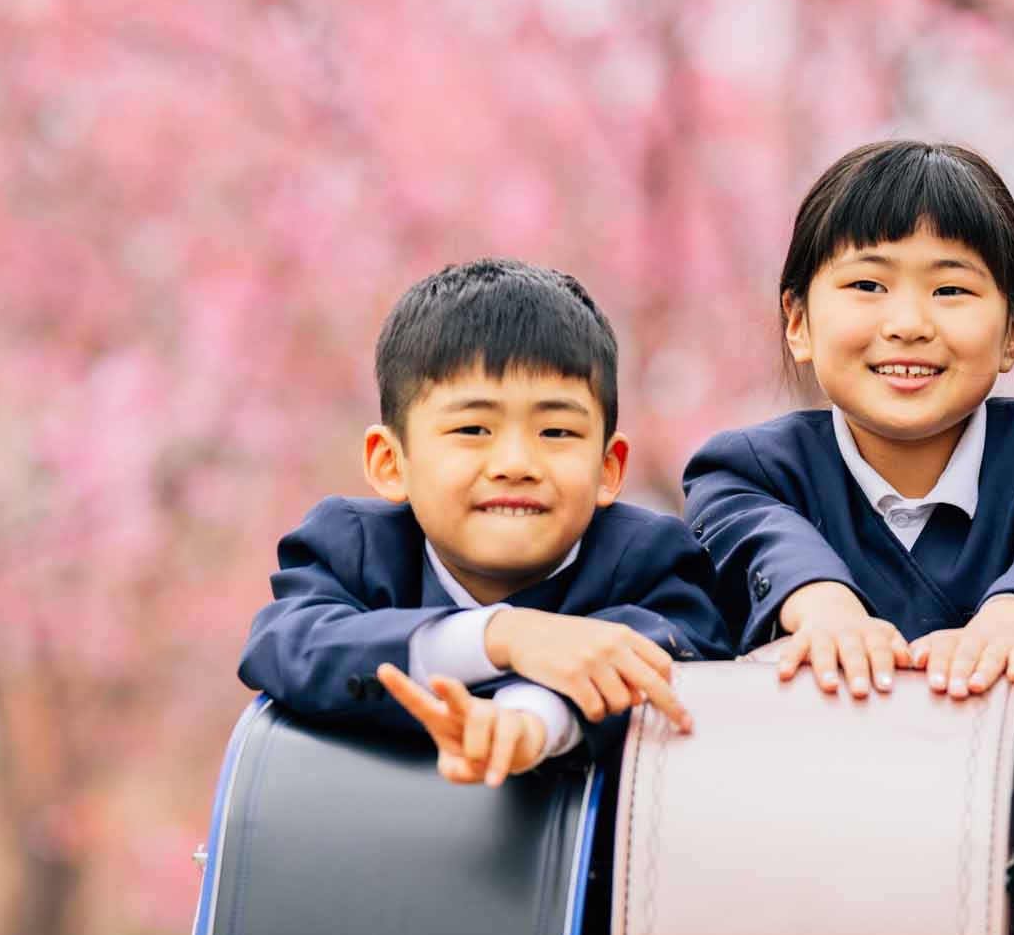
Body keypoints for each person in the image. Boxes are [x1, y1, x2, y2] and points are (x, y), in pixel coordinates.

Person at [683, 140, 1014, 698]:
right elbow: (759, 538)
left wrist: (1013, 621)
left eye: (950, 289)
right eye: (867, 285)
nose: (908, 323)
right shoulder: (745, 473)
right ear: (798, 321)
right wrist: (821, 604)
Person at [239, 260, 730, 785]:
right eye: (473, 428)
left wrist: (532, 720)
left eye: (557, 432)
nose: (516, 463)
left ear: (608, 469)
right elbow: (287, 642)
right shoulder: (355, 546)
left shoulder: (648, 556)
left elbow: (669, 647)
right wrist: (499, 636)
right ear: (389, 462)